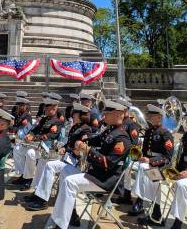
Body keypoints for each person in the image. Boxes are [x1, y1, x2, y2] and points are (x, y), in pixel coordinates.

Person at [46, 99, 131, 229]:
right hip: (97, 173)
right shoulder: (110, 131)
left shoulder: (122, 138)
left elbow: (107, 163)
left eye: (107, 113)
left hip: (106, 179)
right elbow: (96, 139)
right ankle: (70, 215)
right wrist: (83, 140)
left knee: (70, 182)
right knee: (65, 171)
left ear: (117, 115)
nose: (103, 116)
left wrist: (87, 149)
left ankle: (61, 224)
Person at [24, 102, 93, 210]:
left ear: (80, 115)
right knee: (43, 162)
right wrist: (64, 147)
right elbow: (69, 143)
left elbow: (81, 149)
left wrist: (67, 149)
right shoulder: (75, 127)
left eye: (74, 114)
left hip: (76, 163)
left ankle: (42, 200)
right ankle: (38, 192)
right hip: (67, 159)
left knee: (50, 165)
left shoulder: (85, 129)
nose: (72, 115)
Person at [128, 103, 174, 226]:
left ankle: (141, 201)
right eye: (150, 115)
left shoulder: (166, 134)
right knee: (129, 166)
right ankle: (145, 205)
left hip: (161, 167)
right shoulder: (149, 131)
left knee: (149, 173)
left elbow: (168, 158)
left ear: (159, 118)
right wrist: (138, 155)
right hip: (149, 165)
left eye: (152, 116)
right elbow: (145, 151)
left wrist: (151, 161)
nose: (149, 117)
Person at [12, 98, 63, 191]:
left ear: (54, 108)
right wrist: (30, 134)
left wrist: (34, 138)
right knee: (18, 149)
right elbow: (35, 129)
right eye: (45, 108)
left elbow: (50, 136)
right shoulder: (44, 119)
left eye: (47, 108)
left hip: (48, 150)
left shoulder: (58, 122)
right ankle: (24, 175)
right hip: (37, 146)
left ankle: (28, 179)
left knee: (30, 153)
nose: (45, 110)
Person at [168, 103, 187, 229]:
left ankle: (178, 223)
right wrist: (176, 172)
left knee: (182, 185)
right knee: (161, 176)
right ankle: (156, 213)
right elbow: (182, 159)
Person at [113, 97, 140, 204]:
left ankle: (126, 195)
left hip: (127, 154)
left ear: (126, 110)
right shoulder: (121, 122)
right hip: (118, 152)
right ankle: (124, 194)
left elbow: (134, 142)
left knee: (126, 172)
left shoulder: (131, 123)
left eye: (120, 110)